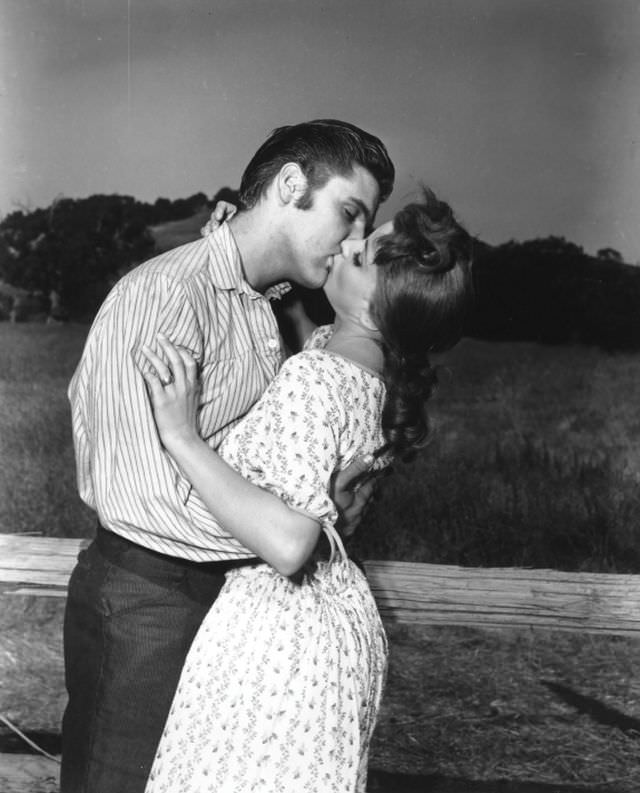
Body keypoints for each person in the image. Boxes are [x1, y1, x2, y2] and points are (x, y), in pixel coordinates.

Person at [62, 119, 395, 793]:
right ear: (292, 185)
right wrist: (298, 526)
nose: (354, 243)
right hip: (149, 604)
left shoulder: (265, 309)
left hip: (223, 607)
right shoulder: (165, 295)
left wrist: (306, 513)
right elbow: (145, 499)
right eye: (349, 213)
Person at [138, 189, 474, 793]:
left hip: (278, 640)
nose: (346, 242)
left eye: (362, 255)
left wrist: (181, 435)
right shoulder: (370, 371)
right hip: (336, 631)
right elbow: (310, 347)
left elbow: (291, 543)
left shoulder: (317, 380)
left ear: (378, 303)